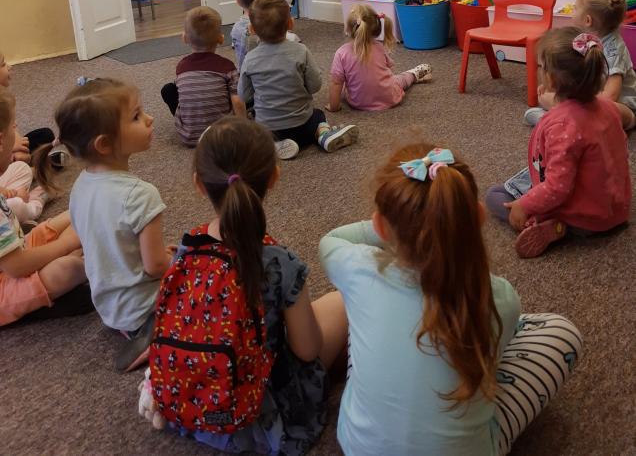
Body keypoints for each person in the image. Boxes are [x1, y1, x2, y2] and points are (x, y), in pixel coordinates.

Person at [320, 141, 582, 456]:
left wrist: (396, 224)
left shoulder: (359, 268)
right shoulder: (497, 297)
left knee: (354, 303)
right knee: (561, 331)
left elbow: (331, 240)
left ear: (380, 226)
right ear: (478, 216)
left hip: (358, 447)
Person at [138, 117, 348, 455]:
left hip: (194, 402)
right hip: (260, 414)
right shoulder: (280, 262)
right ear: (274, 177)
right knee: (338, 301)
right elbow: (308, 350)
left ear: (198, 184)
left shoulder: (185, 251)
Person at [36, 78, 171, 371]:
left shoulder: (81, 185)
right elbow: (156, 267)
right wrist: (176, 260)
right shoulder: (141, 194)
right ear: (104, 144)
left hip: (109, 309)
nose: (149, 119)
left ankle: (137, 326)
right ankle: (155, 332)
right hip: (143, 308)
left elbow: (106, 241)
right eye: (136, 116)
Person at [487, 27, 631, 257]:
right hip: (615, 208)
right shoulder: (610, 107)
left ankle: (548, 225)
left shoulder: (562, 125)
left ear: (552, 79)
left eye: (541, 67)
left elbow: (558, 187)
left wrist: (525, 205)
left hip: (584, 219)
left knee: (494, 196)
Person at [0, 86, 86, 327]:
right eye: (14, 128)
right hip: (9, 271)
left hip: (10, 256)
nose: (18, 133)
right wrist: (65, 245)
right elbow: (16, 267)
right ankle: (35, 303)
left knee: (76, 217)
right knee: (68, 269)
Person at [239, 0, 358, 159]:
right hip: (303, 125)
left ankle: (272, 145)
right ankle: (323, 135)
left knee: (254, 125)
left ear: (252, 29)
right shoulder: (301, 51)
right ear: (290, 24)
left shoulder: (250, 59)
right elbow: (315, 86)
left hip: (269, 129)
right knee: (318, 115)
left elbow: (244, 96)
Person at [524, 0, 636, 130]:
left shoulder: (614, 50)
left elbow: (610, 97)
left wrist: (570, 103)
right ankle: (569, 118)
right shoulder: (583, 38)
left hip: (621, 106)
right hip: (592, 97)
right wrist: (553, 84)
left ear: (588, 20)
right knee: (547, 97)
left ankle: (560, 119)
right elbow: (574, 72)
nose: (573, 8)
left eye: (575, 7)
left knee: (602, 109)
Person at [161, 6, 245, 147]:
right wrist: (244, 128)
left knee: (168, 89)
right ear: (221, 38)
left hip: (188, 137)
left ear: (184, 38)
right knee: (237, 90)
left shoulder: (182, 66)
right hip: (223, 135)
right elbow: (237, 101)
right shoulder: (227, 66)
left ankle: (191, 125)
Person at [328, 5, 431, 112]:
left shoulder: (341, 53)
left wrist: (333, 107)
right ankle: (413, 74)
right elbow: (388, 69)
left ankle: (412, 75)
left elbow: (336, 83)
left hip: (358, 102)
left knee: (343, 87)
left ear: (348, 29)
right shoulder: (379, 47)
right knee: (400, 79)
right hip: (390, 97)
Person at [0, 50, 57, 223]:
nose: (9, 67)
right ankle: (35, 202)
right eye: (3, 64)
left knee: (42, 137)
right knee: (16, 205)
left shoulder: (4, 101)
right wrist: (14, 194)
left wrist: (15, 147)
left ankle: (32, 167)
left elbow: (10, 128)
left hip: (5, 150)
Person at [231, 0, 300, 71]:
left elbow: (241, 56)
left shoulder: (237, 29)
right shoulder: (277, 21)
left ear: (238, 1)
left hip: (250, 74)